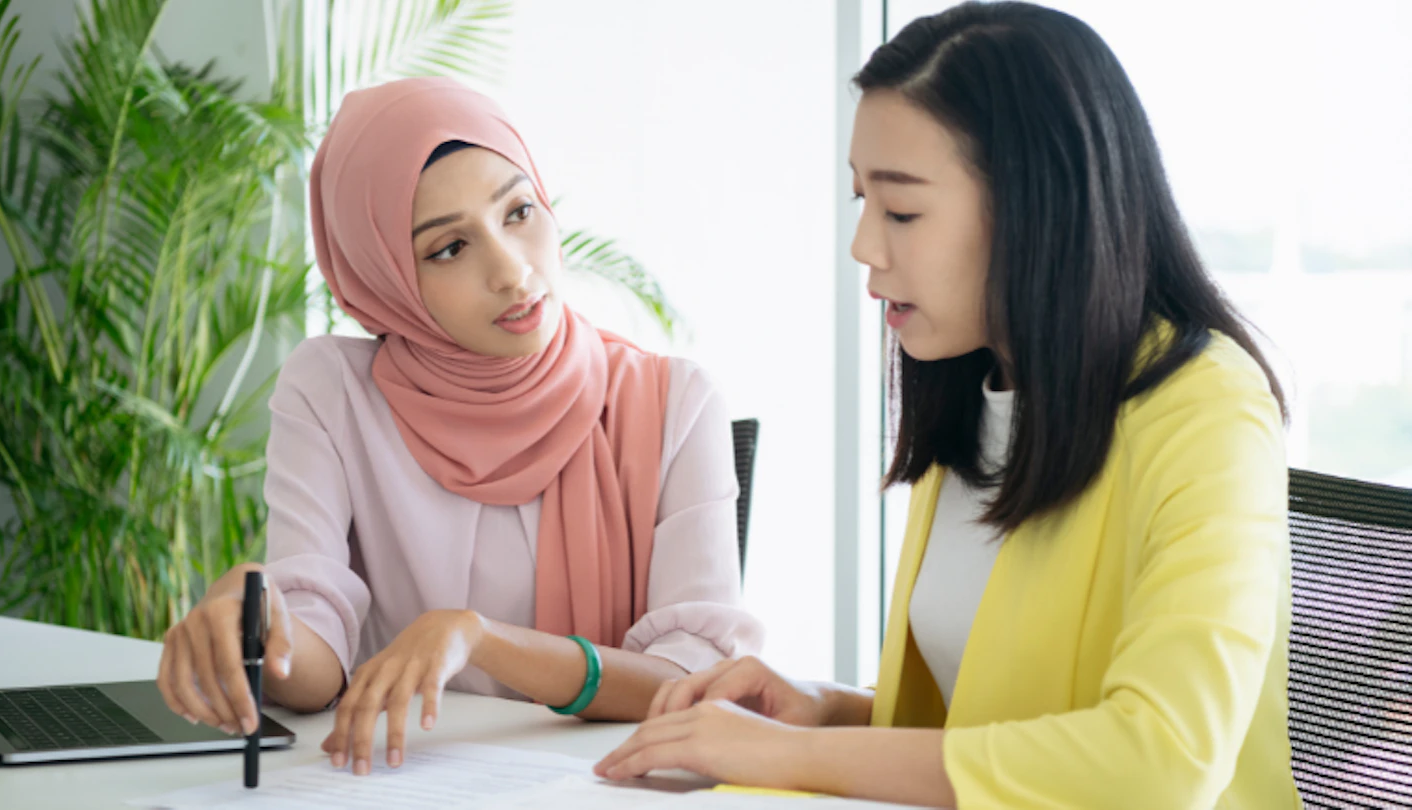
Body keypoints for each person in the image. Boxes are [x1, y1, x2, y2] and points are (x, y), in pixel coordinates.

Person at [595, 3, 1300, 808]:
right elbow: (993, 728)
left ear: (1040, 207)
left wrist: (792, 756)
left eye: (901, 211)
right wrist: (825, 711)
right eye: (862, 201)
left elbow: (1159, 762)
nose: (864, 245)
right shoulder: (976, 384)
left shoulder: (1208, 412)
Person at [154, 77, 763, 778]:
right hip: (393, 781)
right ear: (384, 278)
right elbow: (316, 667)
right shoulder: (333, 392)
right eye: (448, 248)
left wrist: (480, 641)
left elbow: (695, 684)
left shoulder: (674, 402)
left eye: (519, 211)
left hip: (597, 783)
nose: (512, 271)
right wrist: (261, 620)